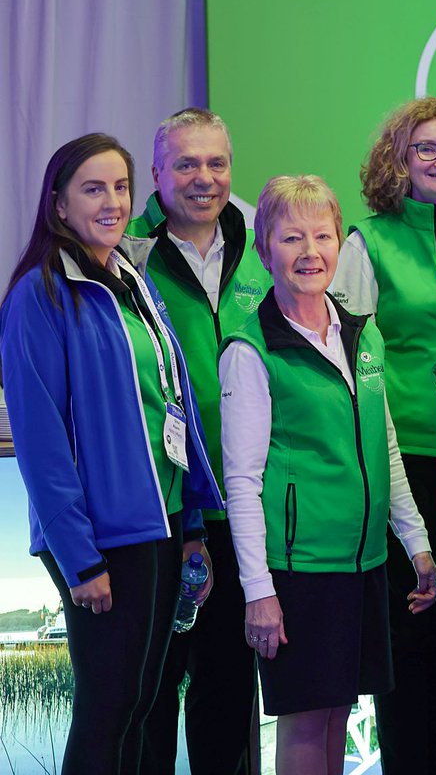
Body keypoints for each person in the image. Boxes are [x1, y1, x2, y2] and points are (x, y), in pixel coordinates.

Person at [0, 133, 221, 774]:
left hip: (160, 526)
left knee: (141, 705)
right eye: (93, 189)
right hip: (100, 540)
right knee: (108, 710)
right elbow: (41, 443)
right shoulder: (39, 295)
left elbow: (170, 405)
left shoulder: (131, 281)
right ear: (59, 204)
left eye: (121, 187)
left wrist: (191, 524)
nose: (112, 202)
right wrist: (79, 558)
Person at [219, 175, 436, 775]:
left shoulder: (363, 334)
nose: (310, 251)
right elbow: (242, 483)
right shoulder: (250, 350)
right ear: (264, 250)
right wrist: (259, 591)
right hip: (298, 572)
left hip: (363, 564)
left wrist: (416, 543)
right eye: (291, 238)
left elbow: (385, 448)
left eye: (322, 236)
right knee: (305, 724)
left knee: (338, 715)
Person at [329, 97, 436, 774]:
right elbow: (347, 358)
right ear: (399, 158)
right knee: (409, 637)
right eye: (426, 148)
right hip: (409, 461)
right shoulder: (367, 242)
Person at [125, 107, 267, 775]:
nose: (203, 178)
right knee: (151, 693)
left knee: (228, 691)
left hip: (242, 509)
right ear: (157, 173)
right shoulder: (126, 254)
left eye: (216, 163)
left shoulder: (263, 248)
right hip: (160, 509)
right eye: (186, 164)